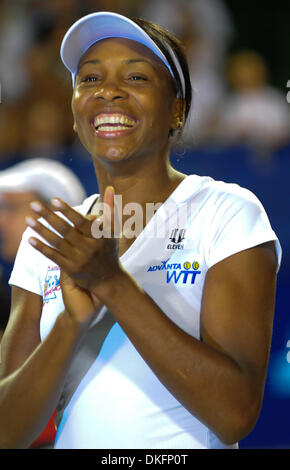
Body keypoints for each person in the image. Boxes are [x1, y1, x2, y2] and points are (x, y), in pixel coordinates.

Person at [0, 11, 281, 450]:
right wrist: (71, 322)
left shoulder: (226, 212)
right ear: (75, 115)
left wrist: (111, 283)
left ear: (177, 109)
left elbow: (235, 415)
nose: (108, 91)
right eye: (90, 79)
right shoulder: (49, 243)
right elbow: (8, 432)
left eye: (136, 78)